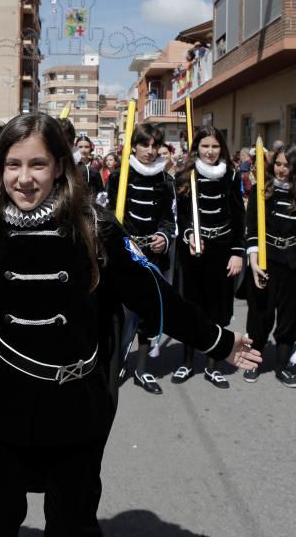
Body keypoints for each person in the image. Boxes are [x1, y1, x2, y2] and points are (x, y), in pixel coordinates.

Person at [0, 113, 261, 535]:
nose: (23, 178)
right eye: (13, 164)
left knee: (72, 523)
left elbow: (154, 297)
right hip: (1, 400)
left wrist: (219, 341)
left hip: (76, 404)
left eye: (36, 164)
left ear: (59, 166)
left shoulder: (96, 227)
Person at [105, 122, 176, 394]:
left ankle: (142, 370)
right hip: (122, 255)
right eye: (144, 144)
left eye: (154, 145)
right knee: (116, 315)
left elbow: (170, 220)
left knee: (148, 314)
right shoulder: (117, 177)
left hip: (153, 258)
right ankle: (112, 367)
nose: (149, 150)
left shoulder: (166, 181)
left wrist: (164, 237)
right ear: (134, 145)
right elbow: (106, 213)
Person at [173, 125, 245, 387]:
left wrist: (238, 252)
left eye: (215, 146)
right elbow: (180, 215)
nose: (210, 151)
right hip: (194, 250)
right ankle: (187, 362)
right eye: (205, 146)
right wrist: (190, 233)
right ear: (197, 148)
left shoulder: (232, 174)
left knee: (219, 308)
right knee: (192, 308)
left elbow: (239, 216)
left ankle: (214, 365)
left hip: (223, 249)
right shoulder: (185, 175)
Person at [245, 144, 296, 387]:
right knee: (260, 314)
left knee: (290, 316)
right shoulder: (260, 191)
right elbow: (253, 228)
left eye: (287, 165)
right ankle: (254, 361)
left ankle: (282, 366)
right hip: (267, 259)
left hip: (295, 260)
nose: (281, 169)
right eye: (278, 164)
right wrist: (254, 263)